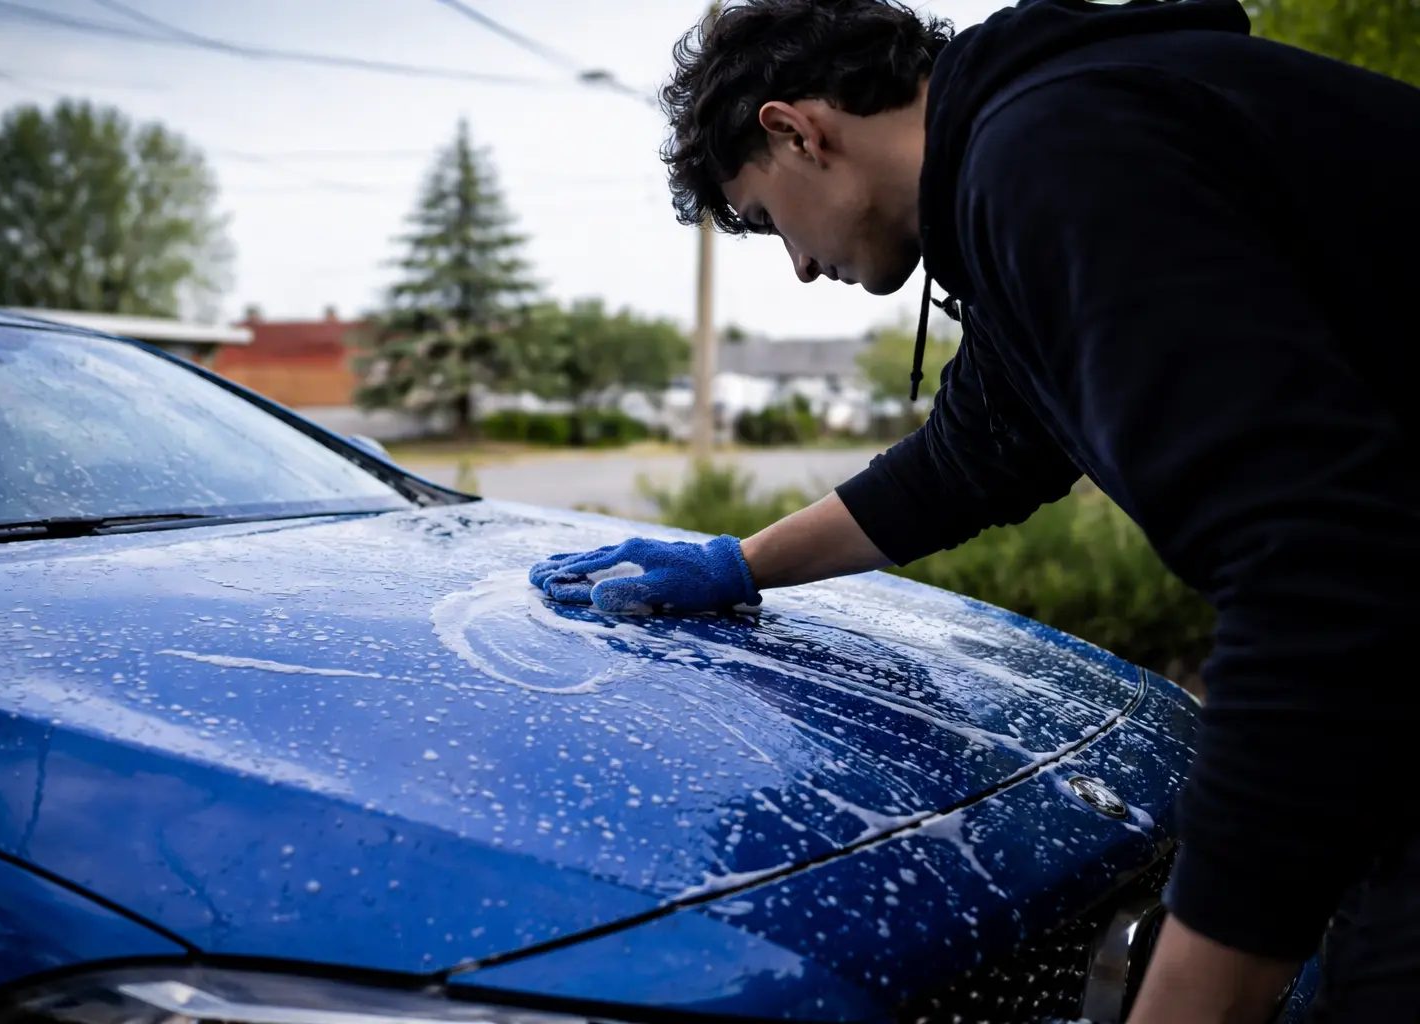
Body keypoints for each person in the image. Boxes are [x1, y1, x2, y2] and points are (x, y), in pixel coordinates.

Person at [528, 0, 1420, 1019]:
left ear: (796, 131)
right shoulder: (1037, 148)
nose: (803, 266)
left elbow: (1319, 581)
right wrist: (739, 563)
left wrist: (1193, 993)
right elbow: (970, 457)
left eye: (775, 223)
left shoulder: (1056, 158)